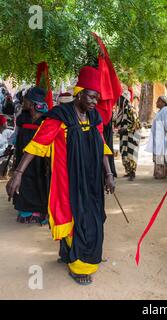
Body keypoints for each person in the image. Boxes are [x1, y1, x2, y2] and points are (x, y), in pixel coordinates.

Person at [6, 66, 115, 285]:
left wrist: (109, 173)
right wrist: (17, 174)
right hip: (67, 180)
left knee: (92, 218)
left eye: (97, 97)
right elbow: (37, 145)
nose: (95, 102)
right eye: (92, 96)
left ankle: (69, 253)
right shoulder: (59, 116)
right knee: (74, 217)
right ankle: (80, 266)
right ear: (80, 93)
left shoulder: (94, 117)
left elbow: (102, 146)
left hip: (92, 179)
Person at [13, 87, 49, 225]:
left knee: (40, 180)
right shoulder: (23, 118)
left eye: (26, 100)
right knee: (25, 180)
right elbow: (17, 137)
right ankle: (26, 210)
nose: (24, 102)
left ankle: (40, 211)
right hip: (23, 157)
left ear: (33, 104)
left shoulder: (46, 121)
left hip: (40, 160)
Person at [146, 95, 167, 179]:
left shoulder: (165, 111)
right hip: (159, 139)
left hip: (164, 139)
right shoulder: (160, 112)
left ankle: (162, 173)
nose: (156, 103)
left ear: (163, 102)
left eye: (158, 101)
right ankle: (160, 172)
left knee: (162, 155)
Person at [115, 92, 141, 181]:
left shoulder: (131, 109)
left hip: (132, 136)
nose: (117, 101)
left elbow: (137, 124)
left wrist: (126, 129)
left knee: (131, 154)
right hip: (124, 136)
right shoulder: (121, 110)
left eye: (119, 99)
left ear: (124, 99)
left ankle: (132, 173)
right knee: (124, 153)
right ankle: (128, 171)